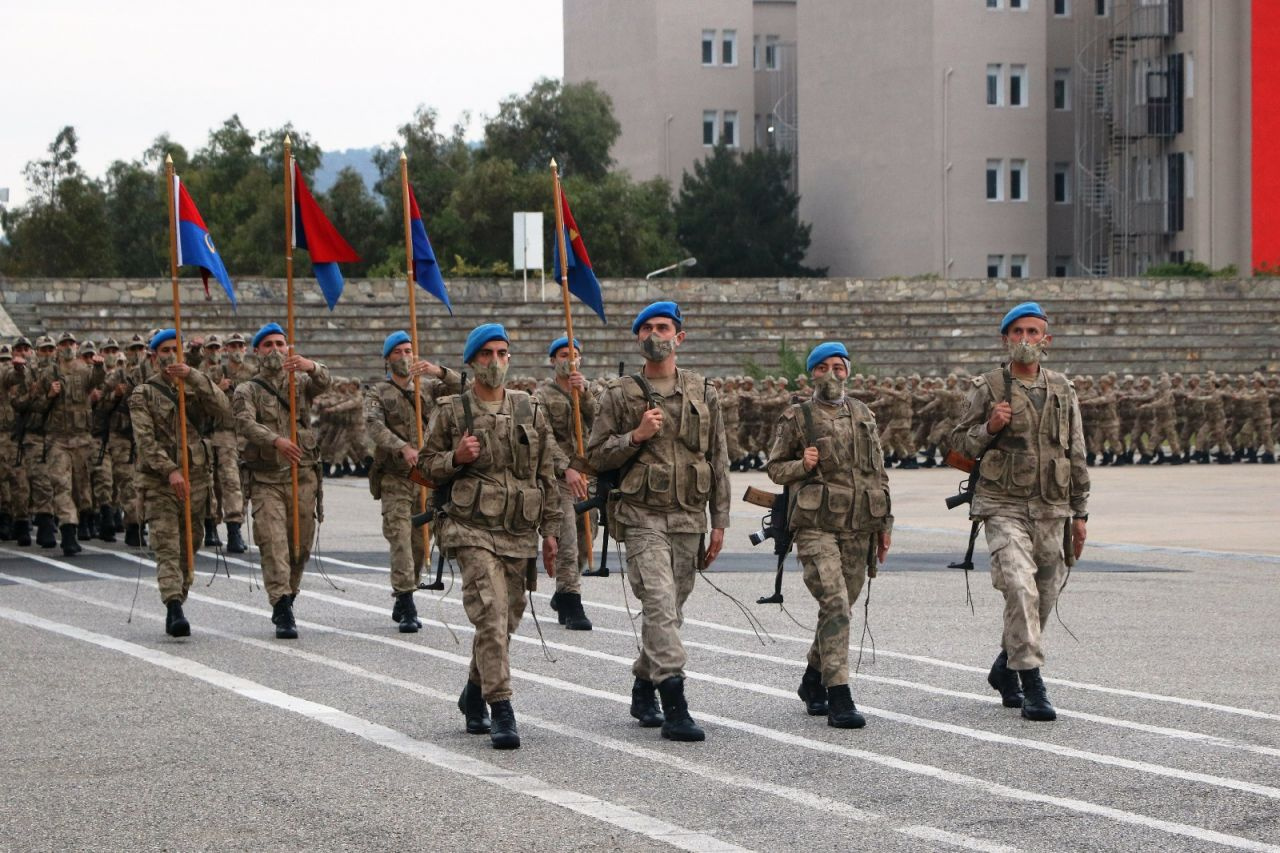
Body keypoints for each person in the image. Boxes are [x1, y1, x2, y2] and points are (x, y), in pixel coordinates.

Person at [586, 301, 731, 742]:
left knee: (672, 608)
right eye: (646, 327)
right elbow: (595, 455)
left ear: (679, 337)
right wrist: (636, 436)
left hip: (689, 516)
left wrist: (719, 519)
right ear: (637, 338)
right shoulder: (618, 394)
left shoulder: (703, 391)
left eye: (663, 327)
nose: (655, 334)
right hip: (641, 515)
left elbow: (719, 458)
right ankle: (675, 702)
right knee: (659, 603)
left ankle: (643, 681)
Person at [419, 324, 560, 749]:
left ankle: (472, 691)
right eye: (486, 354)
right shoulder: (451, 411)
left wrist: (551, 531)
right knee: (491, 616)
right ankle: (501, 707)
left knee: (506, 621)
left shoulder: (530, 409)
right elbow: (424, 467)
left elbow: (547, 474)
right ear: (471, 361)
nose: (495, 362)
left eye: (502, 353)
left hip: (518, 531)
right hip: (469, 528)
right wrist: (454, 458)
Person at [950, 302, 1089, 722]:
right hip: (1003, 504)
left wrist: (1081, 514)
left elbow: (1077, 452)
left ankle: (1005, 666)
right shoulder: (989, 387)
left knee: (1044, 594)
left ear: (1046, 340)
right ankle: (1032, 682)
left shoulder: (1064, 389)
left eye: (1034, 332)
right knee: (1019, 587)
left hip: (1053, 506)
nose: (1026, 339)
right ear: (1005, 339)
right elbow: (958, 445)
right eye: (1018, 332)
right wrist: (990, 426)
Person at [766, 342, 892, 729]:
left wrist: (885, 523)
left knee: (841, 606)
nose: (832, 374)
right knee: (835, 602)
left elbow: (878, 471)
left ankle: (811, 679)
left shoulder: (864, 414)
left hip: (860, 526)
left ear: (848, 372)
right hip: (816, 525)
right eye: (822, 368)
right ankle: (839, 694)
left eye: (838, 366)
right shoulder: (797, 417)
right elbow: (774, 468)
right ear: (811, 375)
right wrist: (800, 466)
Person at [233, 323, 331, 639]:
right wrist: (275, 440)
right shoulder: (247, 390)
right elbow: (245, 423)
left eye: (280, 344)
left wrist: (310, 366)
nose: (275, 350)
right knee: (273, 543)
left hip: (302, 476)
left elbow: (325, 382)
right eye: (268, 345)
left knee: (299, 546)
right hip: (266, 479)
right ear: (257, 351)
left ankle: (290, 591)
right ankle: (281, 605)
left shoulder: (299, 383)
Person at [129, 329, 230, 636]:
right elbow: (145, 441)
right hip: (160, 481)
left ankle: (180, 591)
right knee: (167, 544)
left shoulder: (194, 387)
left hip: (197, 478)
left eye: (177, 350)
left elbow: (223, 408)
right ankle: (173, 605)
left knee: (192, 541)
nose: (171, 355)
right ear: (153, 356)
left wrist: (194, 376)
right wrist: (170, 470)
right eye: (165, 350)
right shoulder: (142, 394)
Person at [364, 330, 462, 632]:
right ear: (387, 358)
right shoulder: (378, 392)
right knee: (400, 539)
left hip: (426, 478)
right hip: (396, 477)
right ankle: (406, 599)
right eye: (398, 352)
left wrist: (439, 371)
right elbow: (373, 424)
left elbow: (467, 387)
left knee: (420, 543)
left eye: (409, 351)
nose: (405, 356)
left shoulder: (428, 389)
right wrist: (401, 446)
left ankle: (406, 589)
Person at [534, 335, 596, 631]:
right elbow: (543, 438)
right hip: (557, 477)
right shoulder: (541, 396)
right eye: (562, 354)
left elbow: (599, 423)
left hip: (585, 475)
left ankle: (562, 593)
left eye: (574, 354)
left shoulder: (587, 390)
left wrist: (583, 393)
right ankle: (572, 601)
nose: (569, 359)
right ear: (552, 360)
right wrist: (565, 467)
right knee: (568, 537)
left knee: (588, 534)